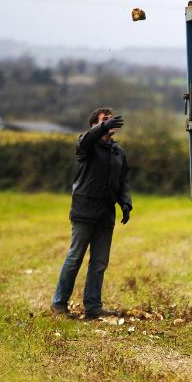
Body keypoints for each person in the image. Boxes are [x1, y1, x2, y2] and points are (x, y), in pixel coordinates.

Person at [51, 107, 132, 319]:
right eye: (105, 120)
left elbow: (123, 181)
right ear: (94, 125)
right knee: (75, 257)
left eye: (111, 119)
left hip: (106, 214)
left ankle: (93, 307)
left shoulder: (118, 152)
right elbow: (85, 140)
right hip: (84, 211)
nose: (110, 122)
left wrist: (126, 204)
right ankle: (59, 305)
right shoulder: (86, 146)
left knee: (99, 262)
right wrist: (102, 127)